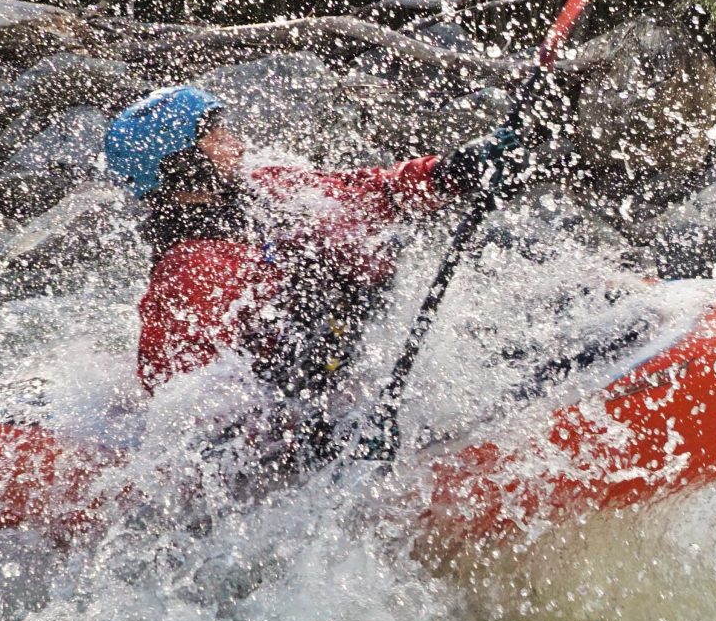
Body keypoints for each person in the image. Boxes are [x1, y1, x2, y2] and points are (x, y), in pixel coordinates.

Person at [102, 85, 520, 461]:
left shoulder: (261, 188)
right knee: (318, 273)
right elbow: (185, 403)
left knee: (353, 252)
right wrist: (297, 439)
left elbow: (363, 195)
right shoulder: (191, 271)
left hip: (334, 375)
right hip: (283, 432)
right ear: (181, 166)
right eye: (215, 138)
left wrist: (450, 173)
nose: (238, 145)